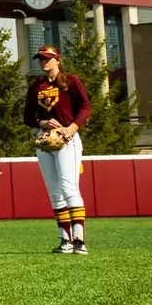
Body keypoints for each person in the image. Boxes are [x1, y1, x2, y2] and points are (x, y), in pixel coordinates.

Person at [24, 45, 92, 255]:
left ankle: (79, 240)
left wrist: (71, 129)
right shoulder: (37, 86)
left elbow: (85, 107)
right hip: (45, 140)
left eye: (47, 58)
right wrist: (42, 123)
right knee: (54, 191)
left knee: (68, 187)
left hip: (66, 138)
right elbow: (27, 117)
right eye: (40, 59)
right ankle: (66, 240)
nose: (43, 62)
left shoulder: (70, 80)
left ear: (57, 60)